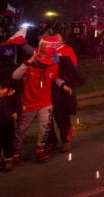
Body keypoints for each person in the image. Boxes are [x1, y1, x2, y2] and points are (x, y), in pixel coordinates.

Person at [11, 36, 72, 165]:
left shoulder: (53, 64)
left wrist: (63, 85)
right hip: (29, 102)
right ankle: (15, 153)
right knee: (21, 129)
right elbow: (15, 76)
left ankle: (40, 149)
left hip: (45, 101)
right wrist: (28, 62)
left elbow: (54, 78)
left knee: (45, 126)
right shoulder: (30, 64)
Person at [45, 31, 85, 154]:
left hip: (63, 88)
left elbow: (72, 68)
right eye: (53, 37)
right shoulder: (48, 51)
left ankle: (66, 141)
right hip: (49, 87)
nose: (55, 38)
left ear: (63, 39)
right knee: (47, 117)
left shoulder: (67, 50)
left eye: (58, 36)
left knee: (62, 116)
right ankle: (51, 140)